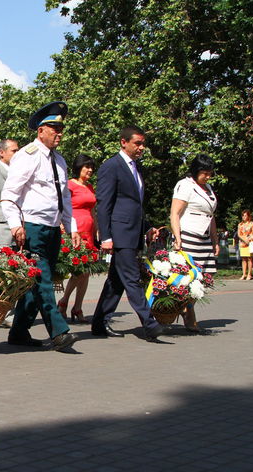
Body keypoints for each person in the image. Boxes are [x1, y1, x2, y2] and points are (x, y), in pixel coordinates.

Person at [0, 101, 79, 352]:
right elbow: (10, 193)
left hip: (53, 228)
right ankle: (59, 332)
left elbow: (64, 197)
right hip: (32, 227)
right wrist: (15, 225)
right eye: (54, 127)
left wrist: (71, 226)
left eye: (61, 127)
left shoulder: (60, 160)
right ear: (40, 130)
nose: (59, 132)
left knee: (35, 285)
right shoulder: (27, 155)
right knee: (44, 282)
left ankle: (19, 332)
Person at [91, 126, 164, 342]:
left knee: (116, 282)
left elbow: (134, 204)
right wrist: (105, 237)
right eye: (137, 143)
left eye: (143, 143)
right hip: (120, 234)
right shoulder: (111, 166)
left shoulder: (136, 168)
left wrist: (147, 227)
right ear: (123, 142)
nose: (142, 147)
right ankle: (150, 324)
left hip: (133, 232)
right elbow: (104, 204)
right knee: (132, 279)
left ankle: (99, 323)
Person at [169, 154, 219, 332]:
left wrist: (215, 239)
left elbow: (211, 216)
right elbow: (175, 213)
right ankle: (188, 314)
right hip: (189, 236)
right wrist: (177, 237)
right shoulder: (185, 185)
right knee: (188, 279)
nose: (207, 177)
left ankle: (188, 309)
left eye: (210, 173)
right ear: (196, 171)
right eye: (204, 173)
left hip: (204, 239)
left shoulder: (209, 188)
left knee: (205, 279)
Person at [57, 154, 98, 324]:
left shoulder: (90, 187)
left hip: (88, 231)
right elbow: (62, 206)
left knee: (86, 272)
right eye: (86, 167)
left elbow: (93, 211)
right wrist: (63, 227)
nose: (89, 170)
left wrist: (97, 230)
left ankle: (77, 306)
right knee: (78, 270)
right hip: (74, 231)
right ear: (78, 168)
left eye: (91, 167)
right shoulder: (70, 185)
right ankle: (64, 301)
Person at [237, 210, 253, 280]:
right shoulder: (240, 224)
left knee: (249, 258)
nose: (244, 217)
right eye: (242, 215)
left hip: (249, 243)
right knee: (243, 259)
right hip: (242, 243)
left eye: (245, 215)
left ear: (248, 216)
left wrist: (249, 239)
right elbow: (239, 234)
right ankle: (244, 274)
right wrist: (244, 239)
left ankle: (249, 274)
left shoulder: (252, 224)